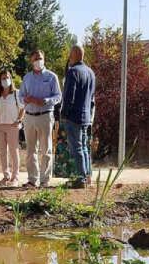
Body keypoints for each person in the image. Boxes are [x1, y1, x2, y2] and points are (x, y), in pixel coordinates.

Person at [20, 49, 61, 188]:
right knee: (31, 151)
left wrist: (45, 101)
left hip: (45, 115)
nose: (38, 60)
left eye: (40, 58)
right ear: (31, 61)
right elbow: (20, 97)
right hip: (29, 117)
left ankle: (45, 180)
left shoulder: (51, 76)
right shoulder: (26, 78)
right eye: (35, 58)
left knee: (46, 150)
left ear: (44, 59)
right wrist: (25, 100)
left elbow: (58, 96)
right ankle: (32, 179)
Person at [61, 45, 96, 187]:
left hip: (74, 116)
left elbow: (70, 95)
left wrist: (64, 113)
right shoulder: (91, 72)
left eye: (70, 53)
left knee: (77, 147)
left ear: (75, 54)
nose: (69, 57)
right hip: (86, 116)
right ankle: (87, 177)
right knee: (84, 147)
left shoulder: (73, 72)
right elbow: (92, 96)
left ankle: (81, 178)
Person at [0, 68, 24, 186]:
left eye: (8, 77)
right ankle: (6, 176)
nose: (6, 80)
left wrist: (19, 120)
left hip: (12, 126)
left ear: (11, 79)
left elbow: (22, 108)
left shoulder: (16, 93)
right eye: (3, 78)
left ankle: (15, 178)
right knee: (3, 152)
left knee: (14, 151)